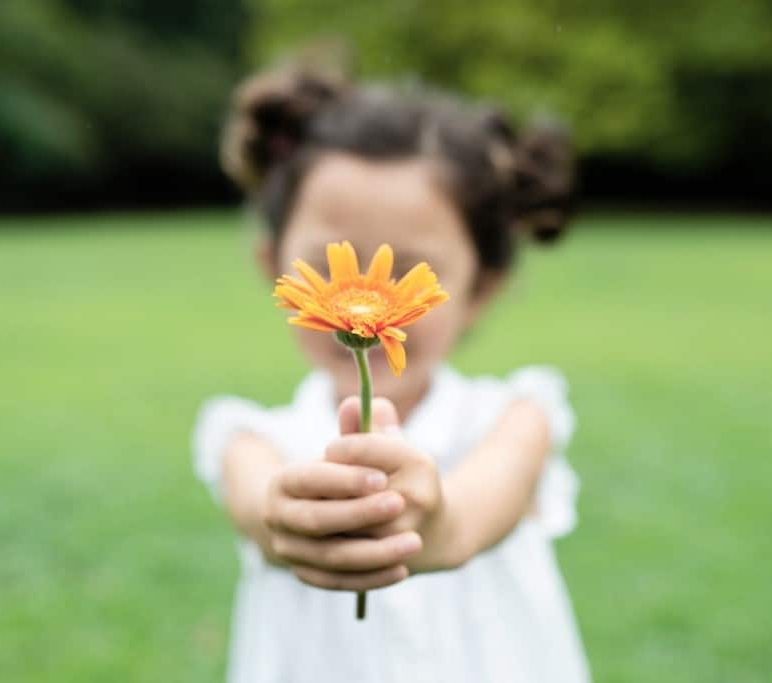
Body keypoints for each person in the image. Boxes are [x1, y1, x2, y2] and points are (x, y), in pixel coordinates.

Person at [193, 62, 590, 682]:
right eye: (328, 266)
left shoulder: (516, 419)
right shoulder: (249, 439)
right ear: (275, 266)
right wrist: (292, 521)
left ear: (481, 288)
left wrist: (435, 526)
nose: (366, 296)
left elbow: (473, 513)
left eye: (407, 272)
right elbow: (262, 507)